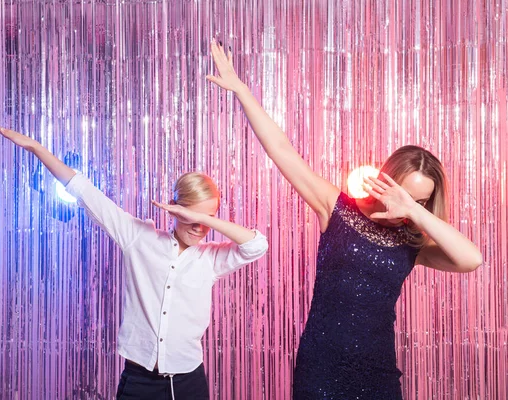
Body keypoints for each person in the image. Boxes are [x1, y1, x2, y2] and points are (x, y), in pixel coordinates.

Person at [206, 40, 482, 399]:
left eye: (420, 200)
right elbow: (282, 151)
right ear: (387, 179)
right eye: (403, 193)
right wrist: (241, 91)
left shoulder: (414, 242)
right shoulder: (337, 208)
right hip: (320, 365)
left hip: (377, 369)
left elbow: (471, 259)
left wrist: (414, 212)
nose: (406, 206)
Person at [0, 123, 268, 400]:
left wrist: (205, 218)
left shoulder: (212, 259)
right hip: (139, 380)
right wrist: (38, 149)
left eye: (206, 221)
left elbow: (257, 245)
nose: (198, 228)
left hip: (189, 382)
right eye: (190, 217)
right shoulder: (139, 238)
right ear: (174, 207)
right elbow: (86, 192)